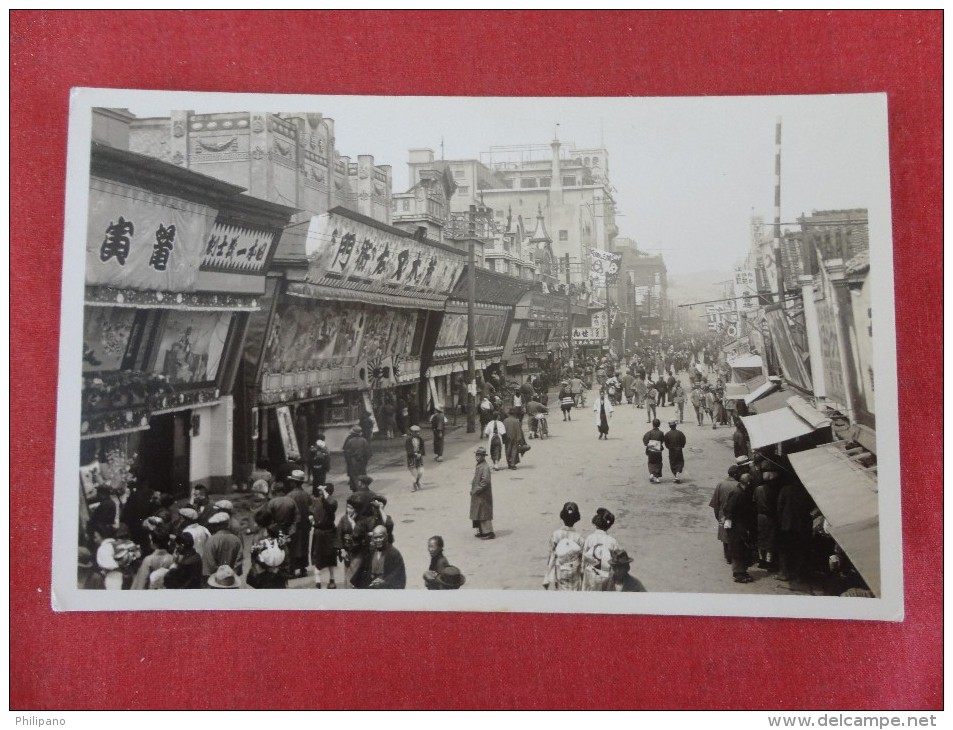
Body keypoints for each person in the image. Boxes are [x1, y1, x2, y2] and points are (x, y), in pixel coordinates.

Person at [543, 501, 585, 591]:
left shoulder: (556, 535)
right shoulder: (579, 537)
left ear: (562, 517)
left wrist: (548, 574)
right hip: (574, 570)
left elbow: (551, 556)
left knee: (560, 593)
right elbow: (582, 559)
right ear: (577, 518)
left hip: (560, 569)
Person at [723, 474, 755, 583]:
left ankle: (742, 571)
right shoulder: (738, 493)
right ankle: (738, 573)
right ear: (748, 483)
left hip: (741, 525)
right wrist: (728, 523)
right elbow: (729, 509)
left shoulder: (742, 492)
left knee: (742, 549)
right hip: (737, 527)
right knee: (737, 549)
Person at [709, 465, 742, 565]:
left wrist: (718, 515)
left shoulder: (720, 484)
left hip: (722, 514)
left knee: (725, 536)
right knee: (734, 535)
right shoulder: (738, 485)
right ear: (736, 474)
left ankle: (727, 556)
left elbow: (715, 503)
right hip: (735, 514)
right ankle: (734, 556)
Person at [582, 508, 620, 591]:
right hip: (606, 576)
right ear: (609, 526)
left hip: (591, 575)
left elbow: (584, 559)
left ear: (596, 523)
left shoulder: (590, 538)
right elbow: (617, 562)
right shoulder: (613, 541)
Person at [311, 482, 339, 589]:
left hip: (329, 532)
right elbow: (311, 511)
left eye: (323, 491)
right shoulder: (316, 501)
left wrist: (325, 493)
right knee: (317, 557)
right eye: (320, 491)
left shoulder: (333, 501)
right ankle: (318, 582)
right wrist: (311, 517)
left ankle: (332, 579)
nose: (320, 493)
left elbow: (330, 507)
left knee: (330, 557)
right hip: (319, 532)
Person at [286, 470, 314, 577]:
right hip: (305, 525)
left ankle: (292, 570)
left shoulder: (290, 495)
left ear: (293, 482)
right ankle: (303, 568)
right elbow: (311, 509)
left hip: (293, 526)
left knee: (292, 547)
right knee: (303, 545)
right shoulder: (306, 495)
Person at [201, 512, 244, 581]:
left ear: (217, 526)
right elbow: (239, 561)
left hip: (216, 580)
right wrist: (231, 574)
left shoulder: (211, 541)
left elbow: (209, 564)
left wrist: (219, 576)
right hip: (231, 580)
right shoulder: (236, 540)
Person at [470, 446, 495, 539]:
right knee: (479, 513)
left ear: (483, 456)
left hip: (483, 494)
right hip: (479, 494)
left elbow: (485, 481)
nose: (477, 457)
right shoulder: (480, 465)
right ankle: (482, 531)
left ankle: (489, 532)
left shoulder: (485, 467)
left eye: (479, 455)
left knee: (484, 513)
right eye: (476, 455)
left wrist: (476, 490)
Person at [342, 424, 372, 490]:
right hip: (362, 461)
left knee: (354, 476)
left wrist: (348, 461)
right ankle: (363, 488)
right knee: (362, 474)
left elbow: (346, 452)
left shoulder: (349, 440)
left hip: (353, 461)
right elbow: (368, 452)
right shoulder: (364, 440)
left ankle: (356, 489)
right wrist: (366, 460)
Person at [663, 419, 687, 483]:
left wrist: (669, 448)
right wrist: (681, 446)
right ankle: (677, 474)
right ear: (675, 426)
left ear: (669, 426)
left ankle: (676, 475)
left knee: (673, 463)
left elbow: (666, 443)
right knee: (680, 462)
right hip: (679, 449)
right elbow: (683, 441)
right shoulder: (680, 433)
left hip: (671, 450)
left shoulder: (667, 434)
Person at [642, 418, 665, 484]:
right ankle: (657, 477)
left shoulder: (649, 432)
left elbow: (645, 441)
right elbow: (662, 440)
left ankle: (652, 473)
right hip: (658, 449)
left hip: (651, 449)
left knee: (651, 462)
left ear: (652, 425)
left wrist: (649, 445)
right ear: (659, 425)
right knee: (658, 462)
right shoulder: (661, 433)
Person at [405, 424, 426, 491]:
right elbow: (409, 450)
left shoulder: (420, 439)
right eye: (416, 432)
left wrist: (420, 453)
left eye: (418, 431)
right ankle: (414, 485)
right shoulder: (408, 440)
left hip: (419, 458)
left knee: (421, 472)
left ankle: (417, 481)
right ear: (411, 432)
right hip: (412, 458)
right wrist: (414, 453)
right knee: (414, 473)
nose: (418, 433)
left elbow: (422, 447)